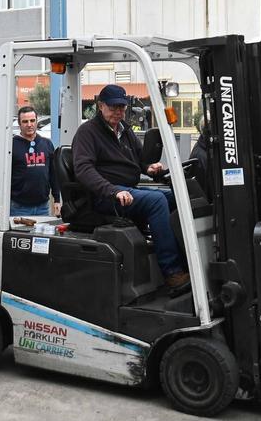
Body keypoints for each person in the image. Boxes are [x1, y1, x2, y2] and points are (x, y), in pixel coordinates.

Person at [73, 84, 189, 289]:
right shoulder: (88, 132)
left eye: (122, 107)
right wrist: (113, 190)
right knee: (156, 201)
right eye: (113, 107)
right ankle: (171, 272)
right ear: (100, 106)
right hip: (106, 196)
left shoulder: (125, 131)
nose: (118, 112)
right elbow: (84, 170)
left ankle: (187, 261)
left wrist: (149, 168)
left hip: (128, 190)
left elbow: (140, 159)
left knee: (176, 197)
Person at [10, 106, 61, 217]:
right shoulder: (11, 145)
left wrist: (57, 199)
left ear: (37, 121)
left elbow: (53, 174)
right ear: (19, 124)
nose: (29, 124)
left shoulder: (47, 144)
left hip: (43, 207)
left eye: (32, 120)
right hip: (19, 208)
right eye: (25, 121)